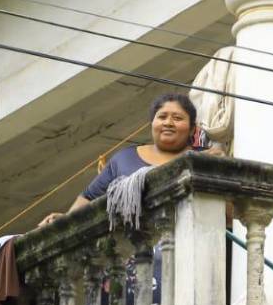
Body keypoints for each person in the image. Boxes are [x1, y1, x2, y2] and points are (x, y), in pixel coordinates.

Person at [38, 92, 199, 228]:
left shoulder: (202, 160)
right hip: (134, 252)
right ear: (152, 123)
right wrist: (67, 220)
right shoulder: (124, 158)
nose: (168, 123)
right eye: (162, 117)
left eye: (177, 118)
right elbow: (89, 197)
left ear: (192, 128)